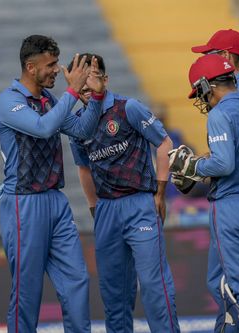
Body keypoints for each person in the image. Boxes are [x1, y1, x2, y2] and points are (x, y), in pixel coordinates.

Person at [0, 35, 105, 332]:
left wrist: (94, 98)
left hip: (55, 202)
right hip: (23, 202)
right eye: (51, 64)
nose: (57, 69)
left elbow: (81, 129)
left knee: (76, 281)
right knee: (27, 292)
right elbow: (43, 129)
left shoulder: (48, 99)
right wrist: (71, 92)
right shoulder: (9, 100)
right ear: (31, 67)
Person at [69, 53, 180, 333]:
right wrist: (95, 208)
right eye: (80, 80)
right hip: (106, 210)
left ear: (105, 79)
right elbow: (83, 170)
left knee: (154, 285)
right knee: (113, 293)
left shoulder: (128, 108)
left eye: (92, 77)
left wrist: (160, 192)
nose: (86, 86)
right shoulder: (77, 126)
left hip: (140, 204)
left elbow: (164, 143)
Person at [169, 54, 239, 332]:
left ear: (207, 86)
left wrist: (193, 165)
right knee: (236, 288)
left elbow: (224, 163)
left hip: (232, 207)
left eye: (200, 92)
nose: (202, 100)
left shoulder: (220, 113)